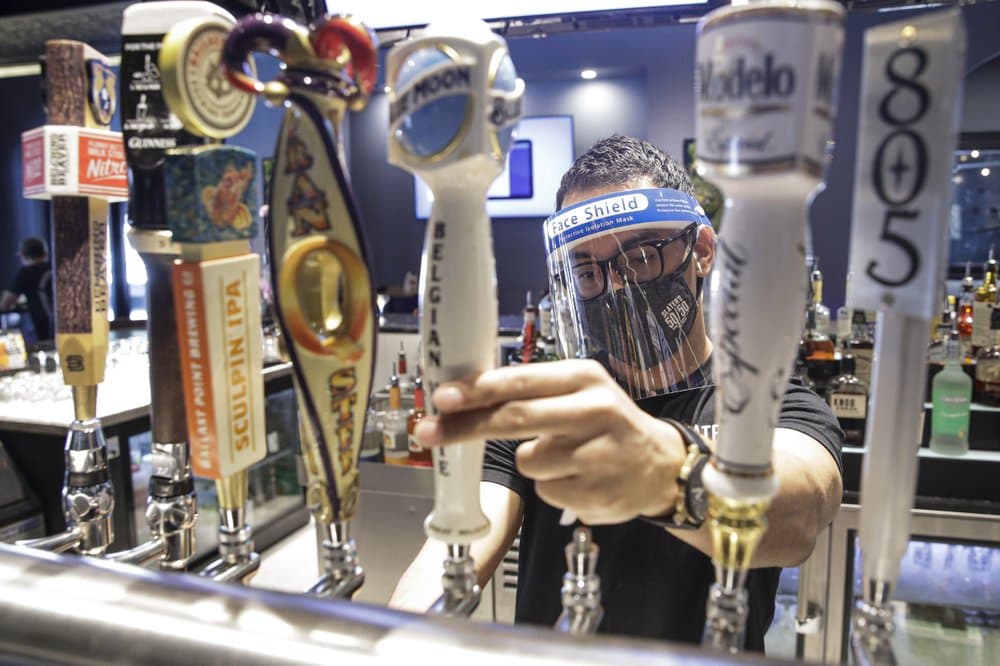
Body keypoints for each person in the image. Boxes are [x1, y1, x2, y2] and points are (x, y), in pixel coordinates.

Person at [390, 135, 844, 652]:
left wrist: (668, 476)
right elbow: (458, 545)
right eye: (587, 270)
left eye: (642, 256)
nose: (616, 287)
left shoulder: (770, 402)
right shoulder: (547, 405)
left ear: (700, 252)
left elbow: (799, 514)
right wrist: (401, 641)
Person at [1, 237, 53, 342]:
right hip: (64, 327)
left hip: (45, 329)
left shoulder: (25, 273)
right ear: (45, 253)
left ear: (23, 255)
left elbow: (5, 304)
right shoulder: (56, 267)